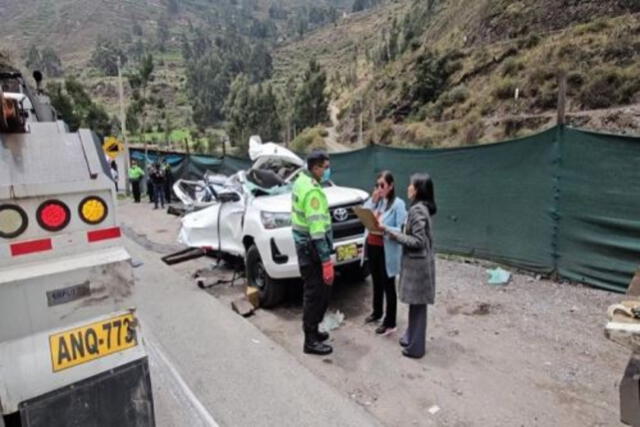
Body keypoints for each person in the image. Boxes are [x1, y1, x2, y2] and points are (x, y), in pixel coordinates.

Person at [379, 173, 436, 359]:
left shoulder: (417, 210)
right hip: (419, 263)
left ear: (418, 189)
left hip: (418, 266)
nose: (408, 187)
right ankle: (410, 338)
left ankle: (416, 348)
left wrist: (391, 233)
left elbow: (418, 241)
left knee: (418, 307)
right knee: (415, 304)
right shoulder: (420, 208)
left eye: (411, 185)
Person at [292, 150, 334, 356]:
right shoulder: (313, 192)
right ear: (315, 168)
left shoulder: (301, 181)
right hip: (313, 249)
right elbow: (317, 231)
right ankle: (310, 341)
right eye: (325, 167)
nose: (327, 171)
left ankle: (314, 331)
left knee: (314, 292)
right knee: (315, 294)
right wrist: (326, 261)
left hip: (303, 246)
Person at [363, 171, 407, 335]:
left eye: (382, 185)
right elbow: (364, 214)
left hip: (386, 248)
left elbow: (401, 229)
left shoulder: (398, 204)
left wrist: (385, 228)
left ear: (391, 186)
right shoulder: (377, 202)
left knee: (388, 284)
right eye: (377, 185)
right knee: (376, 281)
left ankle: (390, 321)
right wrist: (373, 200)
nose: (379, 189)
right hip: (373, 245)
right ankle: (377, 312)